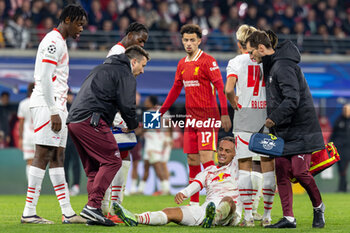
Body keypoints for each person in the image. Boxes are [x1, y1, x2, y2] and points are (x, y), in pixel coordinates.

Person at [246, 30, 326, 228]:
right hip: (283, 130)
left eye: (251, 52)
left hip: (301, 129)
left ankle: (319, 207)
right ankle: (289, 218)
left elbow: (292, 99)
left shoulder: (283, 66)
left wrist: (273, 118)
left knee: (300, 172)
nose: (250, 56)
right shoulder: (272, 65)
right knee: (281, 172)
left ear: (262, 48)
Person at [67, 45, 150, 226]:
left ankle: (93, 213)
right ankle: (93, 207)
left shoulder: (101, 67)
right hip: (92, 120)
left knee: (94, 169)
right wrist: (133, 125)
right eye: (142, 65)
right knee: (113, 161)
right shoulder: (125, 73)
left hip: (74, 121)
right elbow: (128, 106)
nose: (142, 71)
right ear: (133, 61)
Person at [21, 4, 87, 225]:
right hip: (47, 105)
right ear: (67, 19)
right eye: (79, 24)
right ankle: (29, 212)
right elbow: (46, 78)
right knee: (43, 154)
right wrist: (52, 110)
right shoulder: (52, 41)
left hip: (57, 105)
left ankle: (67, 212)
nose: (81, 29)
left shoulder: (59, 41)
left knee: (58, 156)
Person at [159, 24, 231, 206]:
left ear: (199, 41)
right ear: (182, 41)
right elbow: (175, 89)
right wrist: (160, 112)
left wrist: (224, 114)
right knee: (192, 159)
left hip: (208, 118)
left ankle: (215, 200)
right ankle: (194, 204)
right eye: (186, 40)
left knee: (207, 160)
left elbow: (221, 88)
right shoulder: (182, 63)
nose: (189, 43)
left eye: (192, 40)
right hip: (190, 119)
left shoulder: (208, 61)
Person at [113, 136, 241, 228]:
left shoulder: (236, 168)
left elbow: (241, 144)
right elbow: (197, 183)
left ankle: (212, 220)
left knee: (228, 200)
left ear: (235, 154)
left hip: (230, 214)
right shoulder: (209, 170)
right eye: (220, 149)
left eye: (227, 151)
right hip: (206, 210)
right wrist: (184, 193)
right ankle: (136, 218)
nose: (222, 153)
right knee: (170, 212)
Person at [225, 25, 276, 227]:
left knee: (244, 167)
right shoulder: (268, 60)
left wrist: (233, 102)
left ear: (240, 43)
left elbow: (228, 88)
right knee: (267, 168)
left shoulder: (236, 61)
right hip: (266, 116)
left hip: (244, 115)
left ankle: (247, 217)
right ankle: (267, 216)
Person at [101, 22, 148, 223]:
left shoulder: (120, 52)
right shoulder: (118, 53)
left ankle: (115, 206)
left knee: (124, 155)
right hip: (112, 115)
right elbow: (111, 85)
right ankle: (105, 208)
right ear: (129, 35)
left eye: (144, 42)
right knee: (111, 161)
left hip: (117, 113)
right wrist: (121, 116)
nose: (142, 45)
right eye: (140, 40)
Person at [138, 95, 172, 195]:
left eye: (147, 101)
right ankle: (140, 189)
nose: (145, 103)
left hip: (154, 142)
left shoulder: (151, 112)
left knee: (157, 165)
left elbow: (146, 127)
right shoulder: (160, 110)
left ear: (152, 103)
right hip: (151, 141)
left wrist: (135, 131)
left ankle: (165, 188)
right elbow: (168, 122)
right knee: (146, 165)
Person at [63, 90, 81, 196]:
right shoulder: (62, 108)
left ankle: (75, 185)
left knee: (75, 163)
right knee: (65, 163)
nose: (71, 97)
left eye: (71, 95)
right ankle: (66, 185)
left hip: (75, 140)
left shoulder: (76, 108)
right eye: (69, 95)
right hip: (65, 139)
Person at [330, 103, 350, 192]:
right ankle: (342, 187)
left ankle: (343, 187)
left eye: (348, 110)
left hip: (348, 147)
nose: (346, 111)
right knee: (341, 168)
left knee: (344, 168)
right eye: (345, 109)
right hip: (340, 148)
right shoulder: (339, 120)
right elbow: (333, 134)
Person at [17, 83, 35, 178]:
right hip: (39, 136)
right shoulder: (42, 103)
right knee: (40, 163)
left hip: (27, 136)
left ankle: (31, 188)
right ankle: (36, 187)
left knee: (29, 162)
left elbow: (21, 123)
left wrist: (20, 138)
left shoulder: (23, 103)